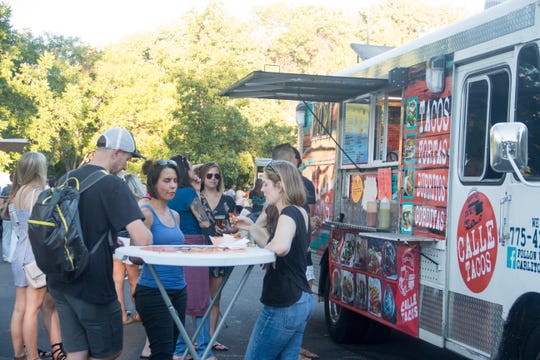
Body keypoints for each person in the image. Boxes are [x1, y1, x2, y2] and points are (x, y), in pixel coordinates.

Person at [47, 127, 152, 360]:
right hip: (93, 284)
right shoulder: (112, 185)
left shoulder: (67, 178)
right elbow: (143, 238)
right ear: (116, 152)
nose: (126, 165)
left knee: (76, 351)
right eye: (127, 158)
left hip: (61, 279)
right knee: (108, 352)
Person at [234, 160, 314, 360]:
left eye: (266, 184)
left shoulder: (287, 214)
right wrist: (252, 227)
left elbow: (280, 246)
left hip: (285, 301)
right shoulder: (300, 211)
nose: (262, 189)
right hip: (301, 298)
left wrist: (271, 251)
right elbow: (276, 243)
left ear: (280, 186)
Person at [3, 152, 65, 360]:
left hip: (18, 253)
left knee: (20, 308)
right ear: (40, 170)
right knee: (33, 308)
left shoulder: (15, 195)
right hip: (34, 255)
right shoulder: (38, 194)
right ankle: (32, 356)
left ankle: (20, 352)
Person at [133, 159, 186, 359]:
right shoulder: (146, 213)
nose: (172, 185)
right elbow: (134, 256)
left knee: (170, 349)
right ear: (153, 183)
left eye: (175, 181)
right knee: (162, 353)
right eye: (166, 181)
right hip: (153, 290)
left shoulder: (175, 215)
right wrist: (153, 251)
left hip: (179, 289)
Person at [271, 143, 320, 360]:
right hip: (298, 256)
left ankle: (293, 348)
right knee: (301, 297)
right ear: (293, 161)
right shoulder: (303, 186)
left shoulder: (272, 190)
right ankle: (295, 348)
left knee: (285, 301)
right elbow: (308, 219)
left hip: (280, 256)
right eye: (297, 161)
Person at [169, 155, 216, 360]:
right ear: (184, 170)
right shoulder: (188, 193)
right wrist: (198, 193)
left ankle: (179, 349)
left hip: (174, 244)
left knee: (178, 297)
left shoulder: (169, 193)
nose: (193, 172)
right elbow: (205, 222)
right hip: (194, 245)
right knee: (201, 299)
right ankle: (204, 349)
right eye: (190, 168)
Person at [198, 162, 237, 352]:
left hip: (220, 251)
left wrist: (229, 229)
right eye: (209, 175)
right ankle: (200, 336)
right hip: (199, 250)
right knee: (199, 297)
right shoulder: (196, 198)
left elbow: (234, 226)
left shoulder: (228, 200)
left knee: (215, 297)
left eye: (216, 176)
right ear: (202, 177)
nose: (213, 179)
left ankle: (211, 337)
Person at [113, 172, 145, 325]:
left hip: (117, 242)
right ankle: (140, 312)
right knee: (134, 280)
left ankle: (121, 315)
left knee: (117, 280)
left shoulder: (117, 200)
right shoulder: (139, 203)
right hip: (130, 240)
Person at [1, 171, 14, 262]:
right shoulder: (19, 189)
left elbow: (1, 202)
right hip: (15, 214)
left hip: (6, 215)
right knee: (15, 236)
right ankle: (11, 254)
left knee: (6, 235)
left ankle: (6, 255)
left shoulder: (5, 189)